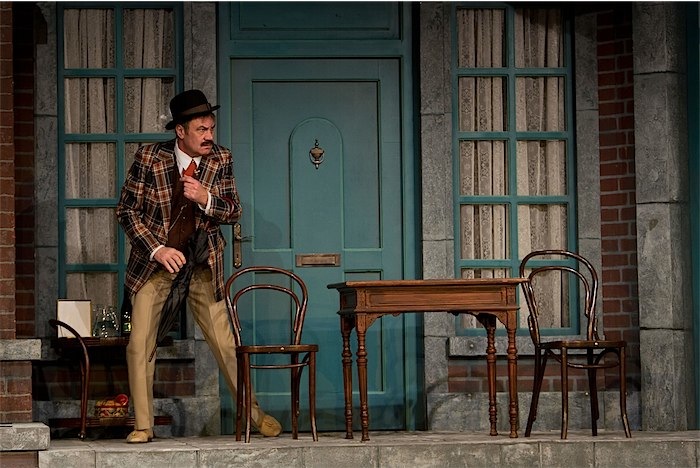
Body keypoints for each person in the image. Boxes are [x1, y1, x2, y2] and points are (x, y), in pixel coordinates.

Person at [116, 89, 282, 443]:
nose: (209, 136)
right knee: (139, 343)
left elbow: (233, 211)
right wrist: (157, 249)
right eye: (201, 130)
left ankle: (254, 415)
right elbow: (126, 211)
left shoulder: (221, 159)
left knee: (225, 344)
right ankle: (143, 425)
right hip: (156, 265)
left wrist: (206, 198)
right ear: (180, 131)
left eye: (211, 128)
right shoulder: (150, 158)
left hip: (202, 264)